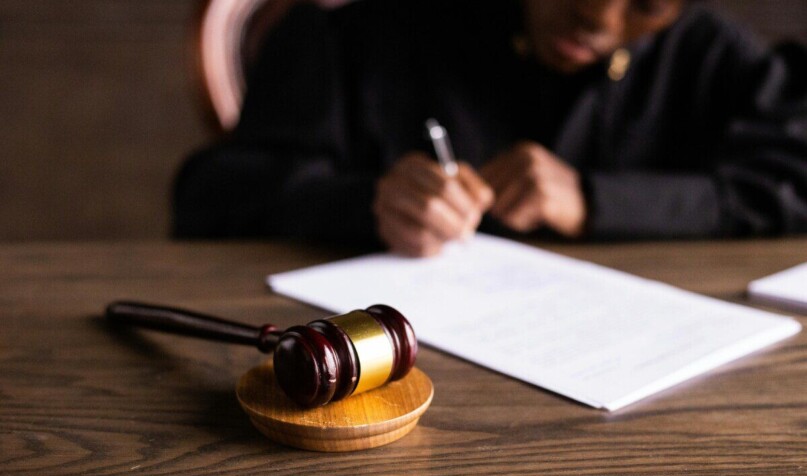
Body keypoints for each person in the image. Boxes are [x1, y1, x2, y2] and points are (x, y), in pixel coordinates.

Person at [174, 0, 807, 256]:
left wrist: (596, 200)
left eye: (645, 2)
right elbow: (209, 196)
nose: (598, 16)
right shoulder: (368, 32)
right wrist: (364, 202)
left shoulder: (706, 55)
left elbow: (792, 180)